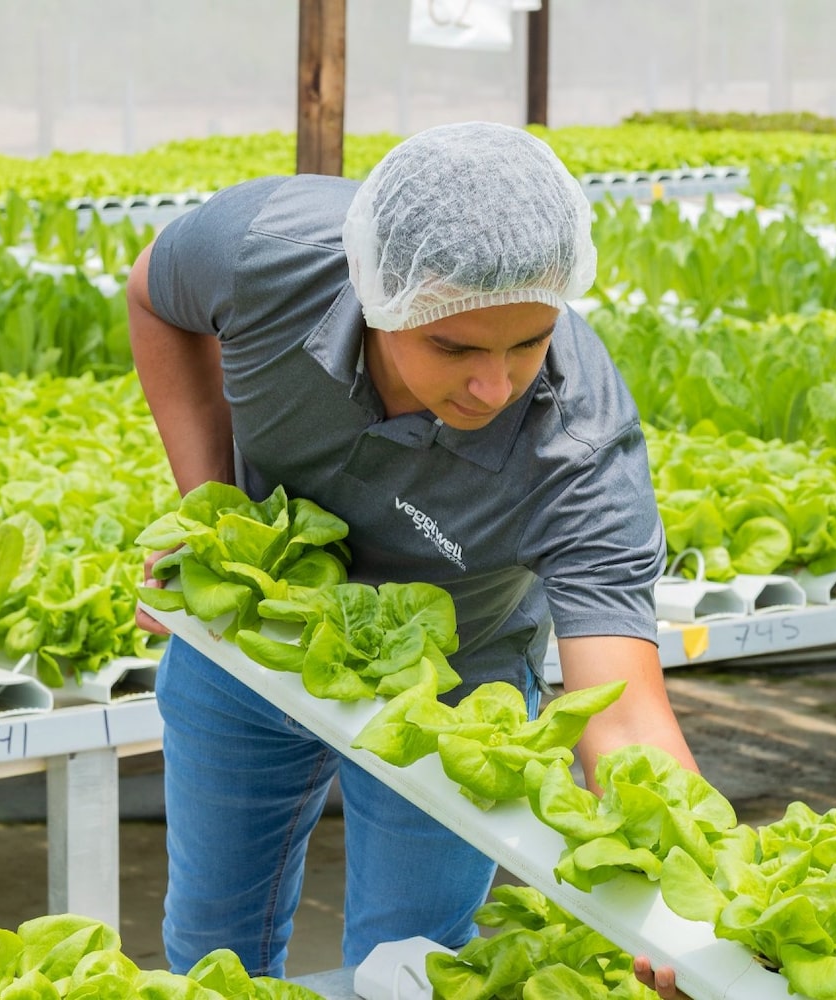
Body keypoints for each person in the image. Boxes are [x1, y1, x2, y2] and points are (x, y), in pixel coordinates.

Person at [128, 120, 695, 999]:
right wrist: (214, 516)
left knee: (408, 968)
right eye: (454, 346)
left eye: (529, 342)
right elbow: (154, 294)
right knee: (210, 948)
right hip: (254, 634)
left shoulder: (580, 451)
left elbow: (622, 715)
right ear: (376, 298)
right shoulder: (267, 251)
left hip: (451, 693)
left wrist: (682, 903)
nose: (494, 386)